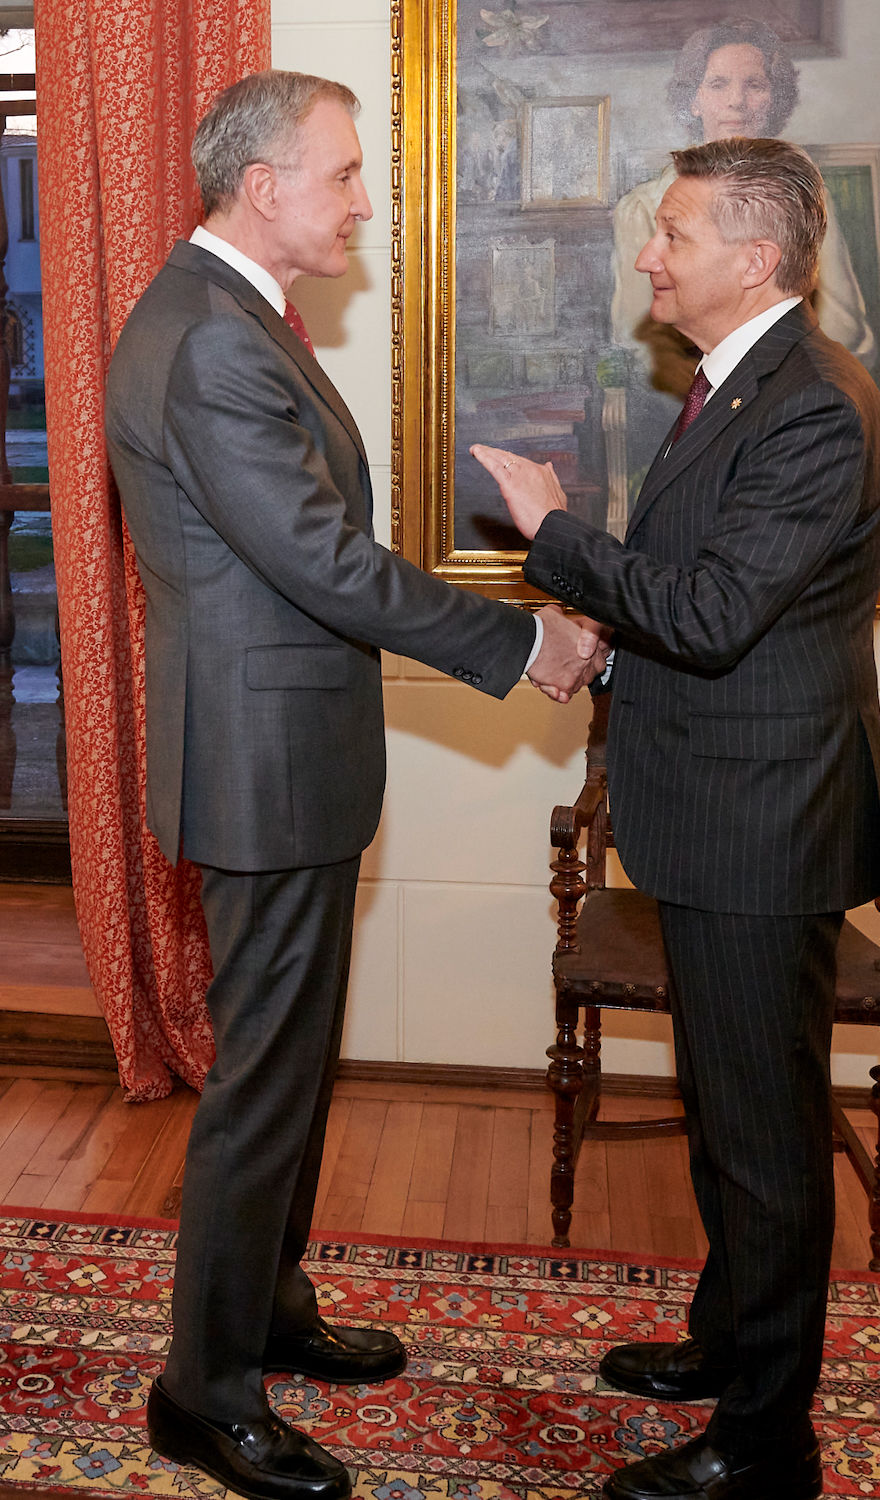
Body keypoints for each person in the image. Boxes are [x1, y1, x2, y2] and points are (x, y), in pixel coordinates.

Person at [105, 70, 606, 1500]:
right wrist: (523, 642)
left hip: (283, 756)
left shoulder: (229, 316)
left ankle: (266, 1312)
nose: (362, 204)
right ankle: (203, 1393)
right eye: (341, 174)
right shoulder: (211, 339)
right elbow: (322, 561)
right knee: (262, 1084)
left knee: (290, 1066)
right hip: (260, 767)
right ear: (262, 185)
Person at [473, 136, 880, 1500]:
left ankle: (770, 1443)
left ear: (756, 259)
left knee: (766, 1145)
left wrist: (554, 535)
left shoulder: (813, 406)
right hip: (721, 810)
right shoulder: (734, 384)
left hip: (762, 827)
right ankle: (729, 1343)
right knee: (727, 1115)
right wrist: (606, 643)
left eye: (673, 233)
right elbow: (707, 597)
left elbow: (714, 615)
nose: (648, 255)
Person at [613, 18, 874, 369]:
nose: (737, 101)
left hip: (798, 380)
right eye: (718, 84)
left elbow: (842, 326)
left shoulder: (808, 197)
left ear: (774, 100)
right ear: (694, 100)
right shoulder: (642, 209)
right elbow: (642, 337)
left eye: (755, 85)